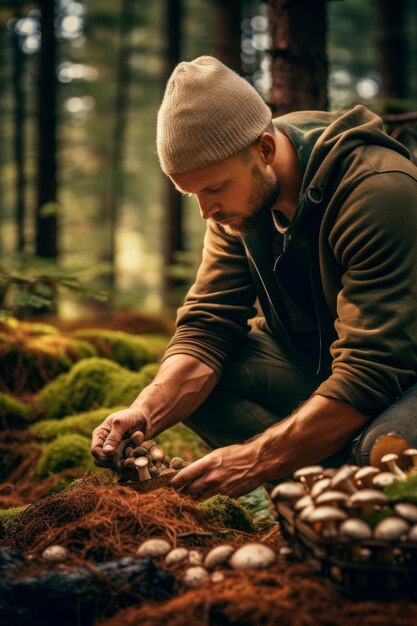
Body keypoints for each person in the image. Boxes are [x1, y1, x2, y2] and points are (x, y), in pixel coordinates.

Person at [91, 56, 417, 498]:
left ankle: (346, 481)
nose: (207, 211)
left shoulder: (378, 192)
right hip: (325, 369)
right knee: (202, 383)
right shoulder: (240, 199)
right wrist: (145, 411)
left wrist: (256, 458)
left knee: (382, 454)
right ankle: (315, 501)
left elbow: (372, 367)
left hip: (402, 379)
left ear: (265, 150)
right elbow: (208, 323)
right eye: (192, 195)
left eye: (213, 189)